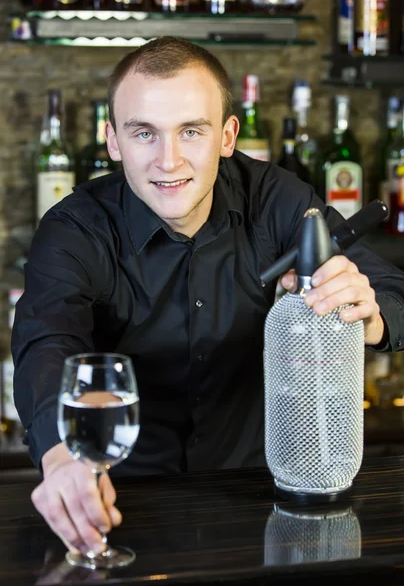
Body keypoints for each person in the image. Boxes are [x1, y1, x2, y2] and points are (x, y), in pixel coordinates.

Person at [12, 37, 404, 557]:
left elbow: (394, 292)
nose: (168, 160)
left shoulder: (277, 200)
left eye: (190, 131)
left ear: (226, 135)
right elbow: (45, 341)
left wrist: (369, 315)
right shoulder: (76, 229)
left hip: (266, 503)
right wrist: (60, 456)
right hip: (122, 502)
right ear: (112, 141)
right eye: (143, 133)